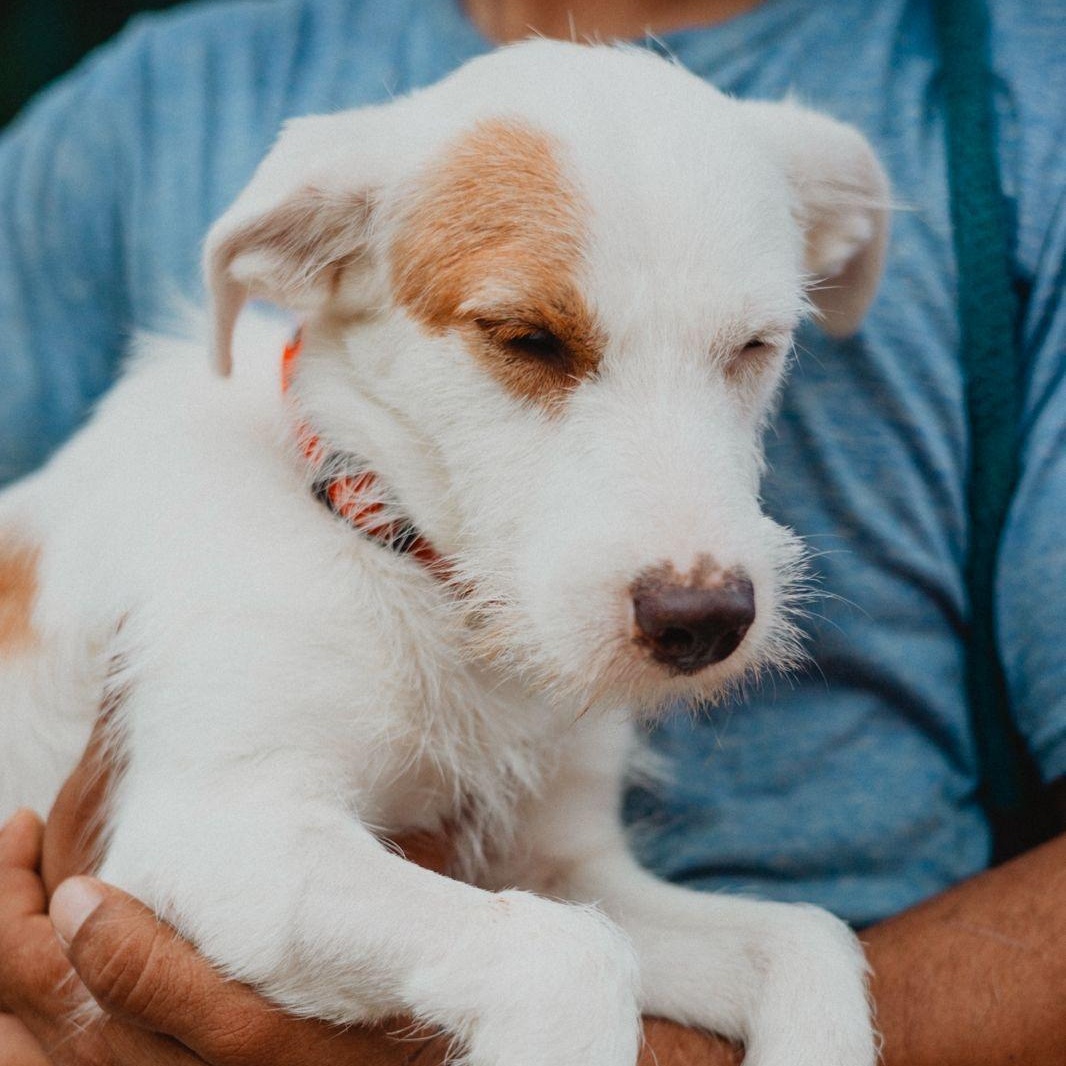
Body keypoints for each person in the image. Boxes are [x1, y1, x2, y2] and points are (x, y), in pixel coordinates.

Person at [0, 0, 1063, 1062]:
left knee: (791, 956)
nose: (693, 574)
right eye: (528, 341)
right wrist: (523, 974)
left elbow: (553, 881)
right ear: (301, 257)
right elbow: (208, 853)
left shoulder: (1015, 108)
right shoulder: (159, 133)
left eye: (745, 348)